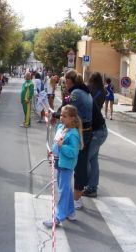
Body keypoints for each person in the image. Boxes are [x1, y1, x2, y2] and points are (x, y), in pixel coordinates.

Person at [53, 69, 93, 210]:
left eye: (65, 82)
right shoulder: (85, 91)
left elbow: (68, 110)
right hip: (86, 130)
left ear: (70, 81)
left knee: (78, 166)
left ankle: (76, 200)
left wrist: (57, 115)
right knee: (83, 164)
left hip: (81, 131)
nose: (64, 84)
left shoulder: (76, 93)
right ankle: (76, 199)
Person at [43, 105, 82, 228]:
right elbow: (56, 142)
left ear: (72, 118)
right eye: (61, 115)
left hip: (67, 165)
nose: (61, 118)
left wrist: (62, 147)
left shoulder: (73, 134)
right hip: (59, 162)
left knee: (63, 191)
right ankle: (71, 212)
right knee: (64, 188)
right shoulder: (61, 127)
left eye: (65, 116)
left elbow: (73, 152)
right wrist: (53, 151)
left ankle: (58, 217)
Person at [83, 72, 108, 198]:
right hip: (98, 126)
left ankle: (89, 185)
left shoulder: (91, 91)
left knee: (86, 158)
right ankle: (92, 187)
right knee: (93, 160)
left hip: (95, 128)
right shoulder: (102, 91)